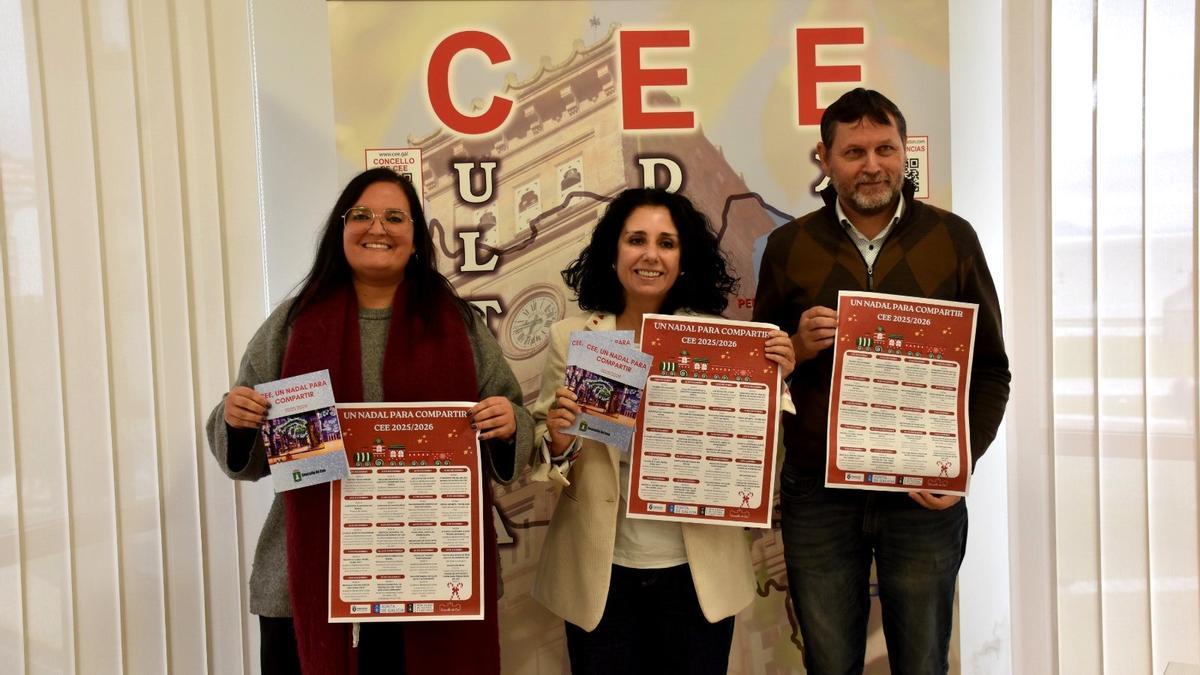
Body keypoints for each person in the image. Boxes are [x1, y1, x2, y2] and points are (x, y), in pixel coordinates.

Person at [206, 167, 533, 674]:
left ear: (415, 238)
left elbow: (514, 423)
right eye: (361, 214)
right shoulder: (292, 324)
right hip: (308, 586)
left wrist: (508, 422)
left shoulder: (458, 323)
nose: (376, 227)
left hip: (429, 577)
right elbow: (244, 456)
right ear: (341, 230)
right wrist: (237, 418)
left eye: (394, 217)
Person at [752, 88, 1011, 674]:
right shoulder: (788, 247)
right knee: (829, 662)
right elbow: (758, 376)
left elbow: (992, 370)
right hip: (818, 495)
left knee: (922, 662)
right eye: (854, 151)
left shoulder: (953, 239)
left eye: (885, 148)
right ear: (825, 158)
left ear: (902, 153)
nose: (872, 165)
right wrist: (795, 346)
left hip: (921, 492)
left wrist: (962, 462)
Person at [530, 188, 796, 674]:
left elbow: (760, 463)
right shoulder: (574, 339)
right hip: (600, 578)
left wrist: (774, 386)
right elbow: (542, 463)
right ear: (613, 254)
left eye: (667, 243)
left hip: (696, 577)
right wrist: (559, 441)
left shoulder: (722, 343)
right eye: (636, 240)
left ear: (683, 259)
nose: (651, 255)